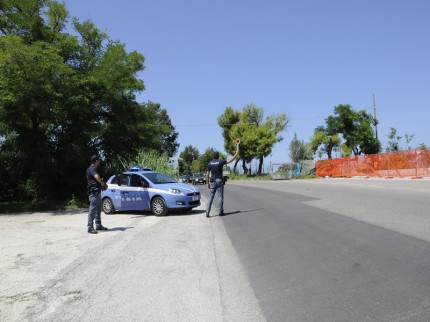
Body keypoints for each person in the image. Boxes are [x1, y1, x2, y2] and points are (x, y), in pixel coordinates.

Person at [205, 146, 239, 217]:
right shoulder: (220, 161)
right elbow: (230, 160)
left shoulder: (210, 163)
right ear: (218, 156)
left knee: (211, 196)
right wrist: (236, 154)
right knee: (220, 197)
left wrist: (207, 183)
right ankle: (220, 212)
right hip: (220, 180)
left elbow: (207, 174)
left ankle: (207, 212)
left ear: (213, 156)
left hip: (213, 181)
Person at [86, 155, 108, 234]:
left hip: (97, 192)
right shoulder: (92, 169)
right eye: (99, 160)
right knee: (92, 210)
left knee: (98, 209)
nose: (99, 162)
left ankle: (98, 225)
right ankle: (90, 227)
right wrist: (102, 183)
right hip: (94, 193)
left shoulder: (94, 169)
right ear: (96, 161)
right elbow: (97, 177)